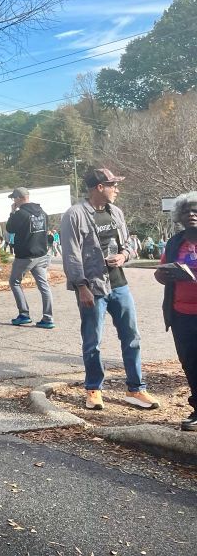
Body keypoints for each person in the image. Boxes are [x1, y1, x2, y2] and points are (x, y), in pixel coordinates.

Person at [60, 168, 160, 411]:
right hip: (92, 287)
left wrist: (124, 255)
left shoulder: (116, 212)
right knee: (92, 340)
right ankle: (94, 389)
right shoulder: (75, 215)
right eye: (112, 185)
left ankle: (136, 389)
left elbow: (129, 244)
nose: (117, 189)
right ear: (99, 187)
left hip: (119, 285)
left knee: (132, 337)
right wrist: (81, 286)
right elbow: (71, 255)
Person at [155, 192, 197, 431]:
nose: (191, 214)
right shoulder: (174, 243)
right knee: (190, 362)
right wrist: (163, 274)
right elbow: (161, 272)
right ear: (179, 216)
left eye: (196, 210)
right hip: (181, 315)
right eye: (186, 211)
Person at [5, 187, 53, 328]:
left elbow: (10, 228)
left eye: (14, 198)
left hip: (25, 255)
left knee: (14, 282)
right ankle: (48, 318)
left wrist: (12, 212)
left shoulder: (20, 214)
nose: (13, 201)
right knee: (44, 286)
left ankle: (24, 314)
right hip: (41, 254)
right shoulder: (42, 212)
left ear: (19, 198)